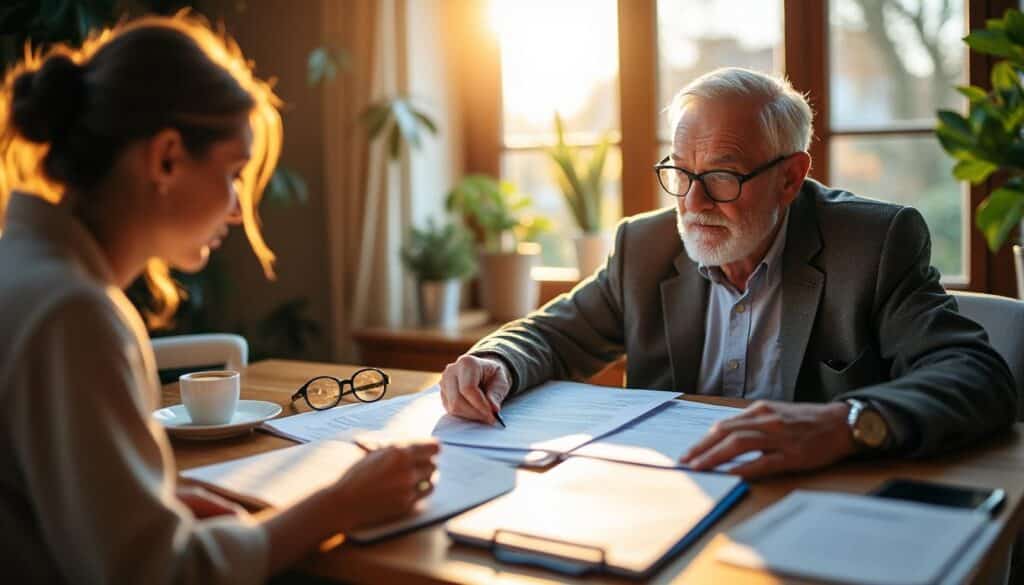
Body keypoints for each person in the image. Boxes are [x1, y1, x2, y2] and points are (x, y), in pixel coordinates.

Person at [0, 14, 438, 584]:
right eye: (233, 173)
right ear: (166, 158)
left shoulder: (25, 271)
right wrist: (341, 503)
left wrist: (149, 498)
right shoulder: (73, 314)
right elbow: (164, 576)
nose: (236, 209)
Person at [440, 67, 1017, 478]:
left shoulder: (872, 243)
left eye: (722, 175)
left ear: (790, 178)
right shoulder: (645, 245)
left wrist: (848, 423)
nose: (693, 202)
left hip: (817, 497)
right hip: (678, 495)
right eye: (680, 171)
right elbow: (552, 334)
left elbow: (976, 375)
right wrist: (496, 361)